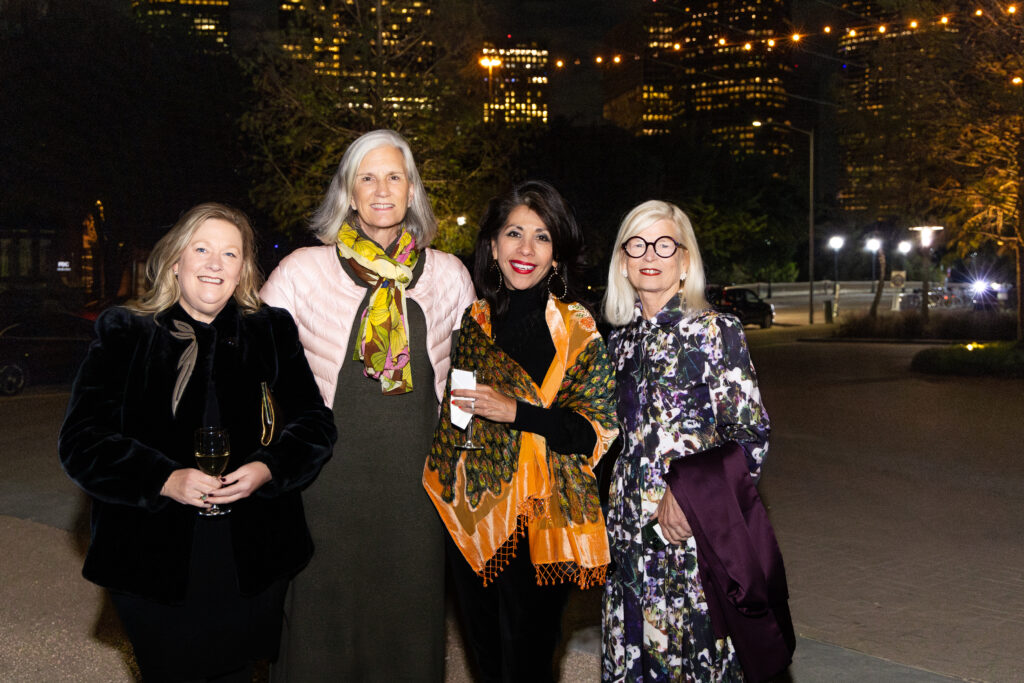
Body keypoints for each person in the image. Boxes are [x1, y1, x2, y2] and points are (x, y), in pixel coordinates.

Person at [58, 202, 337, 682]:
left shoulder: (270, 330)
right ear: (175, 262)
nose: (214, 263)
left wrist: (268, 467)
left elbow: (315, 422)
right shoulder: (126, 332)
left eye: (230, 254)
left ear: (243, 270)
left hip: (251, 552)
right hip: (152, 556)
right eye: (202, 249)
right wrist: (163, 478)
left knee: (237, 673)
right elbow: (82, 441)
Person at [260, 129, 475, 681]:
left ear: (412, 191)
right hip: (325, 487)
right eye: (368, 177)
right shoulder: (303, 272)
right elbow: (249, 368)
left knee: (408, 626)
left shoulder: (450, 275)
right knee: (319, 626)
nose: (382, 190)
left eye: (394, 176)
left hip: (416, 492)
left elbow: (467, 385)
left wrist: (460, 461)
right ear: (350, 194)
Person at [424, 180, 619, 683]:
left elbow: (594, 430)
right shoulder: (474, 324)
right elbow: (455, 421)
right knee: (486, 660)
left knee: (529, 662)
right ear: (493, 246)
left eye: (542, 236)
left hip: (541, 521)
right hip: (473, 518)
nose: (526, 249)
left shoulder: (578, 329)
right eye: (514, 233)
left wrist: (519, 413)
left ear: (557, 256)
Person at [600, 200, 792, 682]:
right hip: (625, 536)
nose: (651, 254)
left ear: (685, 261)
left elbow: (750, 434)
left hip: (689, 536)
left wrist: (689, 497)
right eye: (638, 244)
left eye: (665, 244)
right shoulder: (618, 342)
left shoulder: (715, 331)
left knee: (689, 661)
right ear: (623, 261)